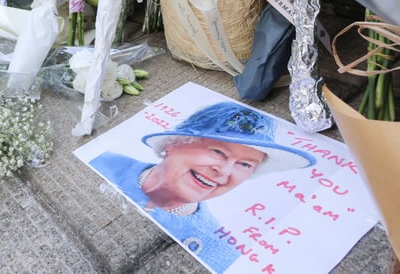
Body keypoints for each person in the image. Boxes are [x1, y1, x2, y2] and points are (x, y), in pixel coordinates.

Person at [90, 101, 315, 272]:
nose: (224, 172)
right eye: (218, 151)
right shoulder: (102, 162)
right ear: (173, 144)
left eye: (245, 164)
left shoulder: (224, 254)